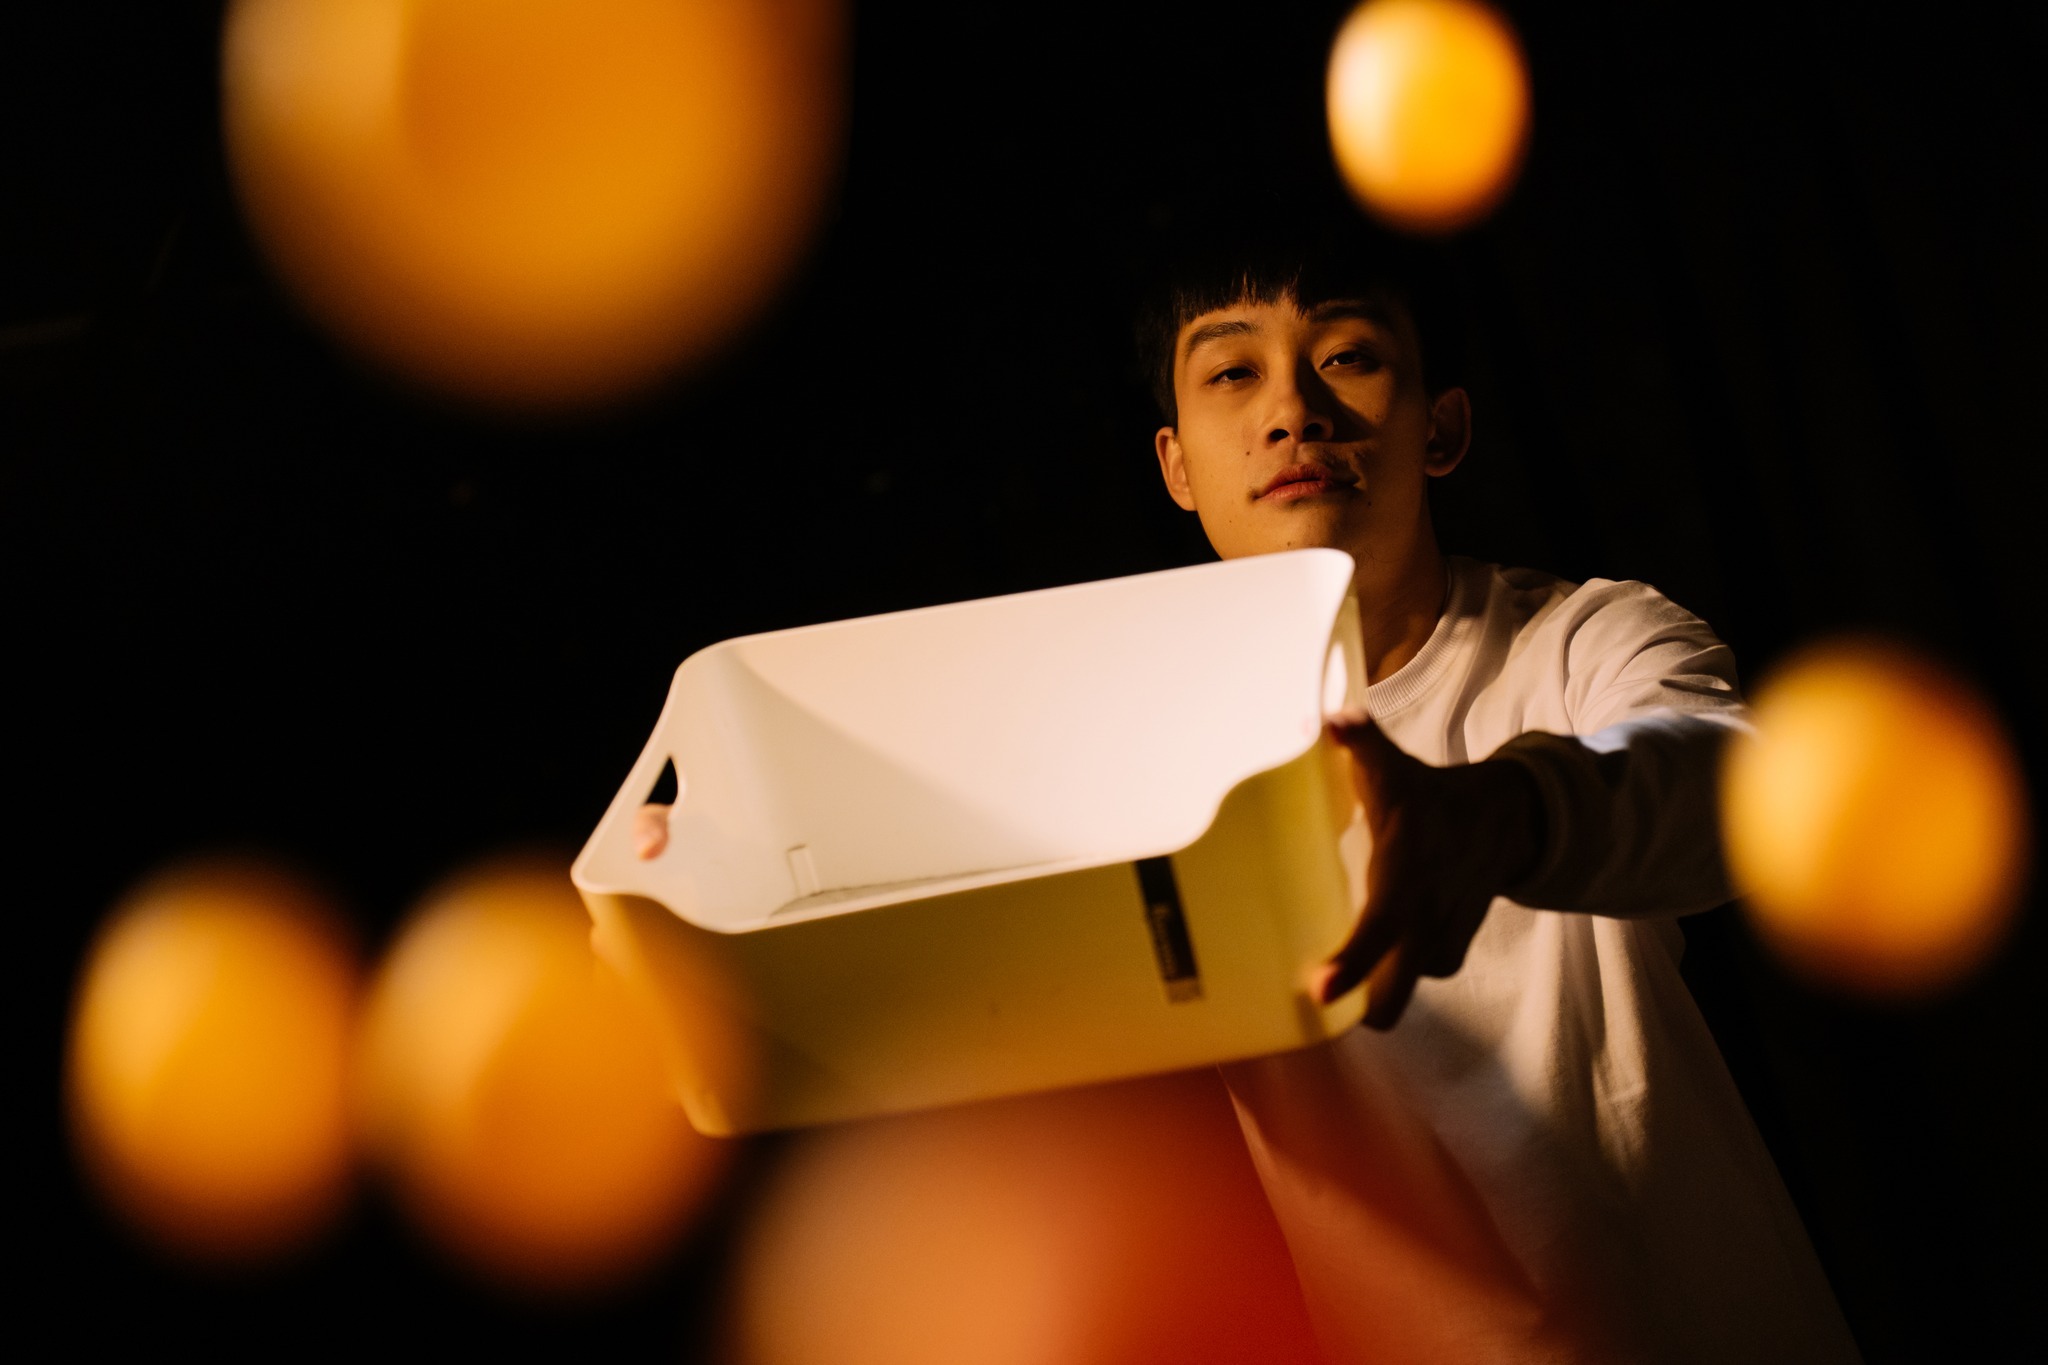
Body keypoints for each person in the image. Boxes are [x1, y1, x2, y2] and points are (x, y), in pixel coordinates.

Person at [1137, 225, 1862, 1362]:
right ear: (1177, 466)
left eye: (1345, 355)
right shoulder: (1143, 765)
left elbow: (1731, 788)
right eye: (1233, 371)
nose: (1292, 412)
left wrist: (1497, 817)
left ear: (1441, 428)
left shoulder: (1583, 643)